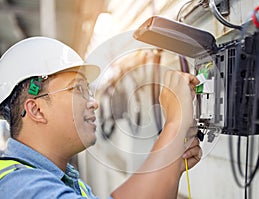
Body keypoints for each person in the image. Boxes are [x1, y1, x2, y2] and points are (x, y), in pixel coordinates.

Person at [0, 36, 201, 199]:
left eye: (87, 90)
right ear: (36, 110)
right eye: (78, 89)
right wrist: (175, 123)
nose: (93, 102)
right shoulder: (19, 186)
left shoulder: (68, 183)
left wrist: (172, 162)